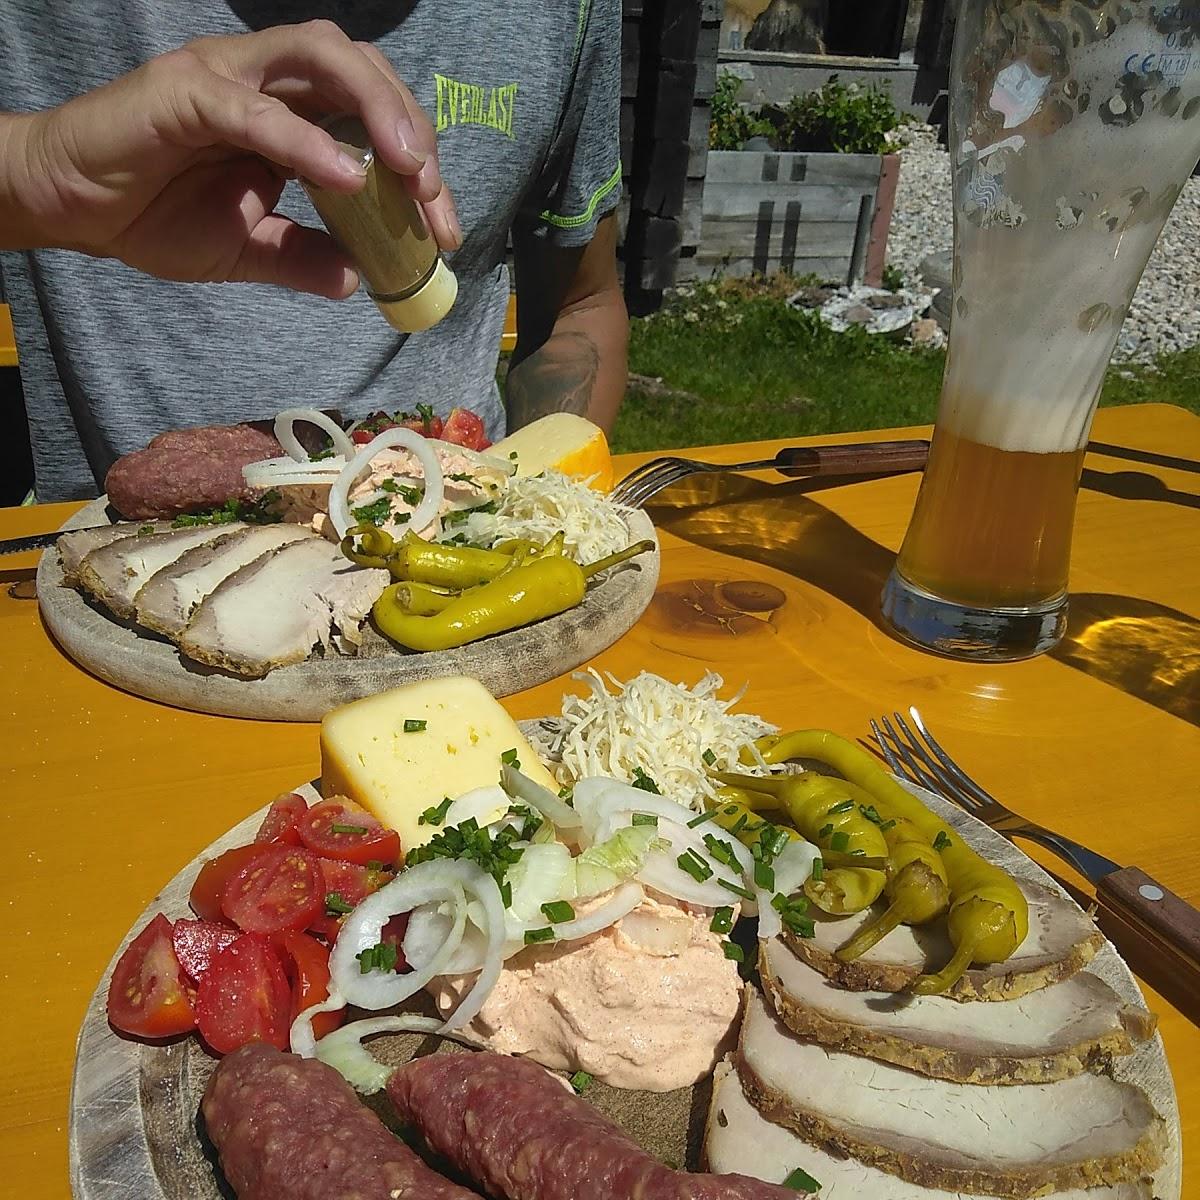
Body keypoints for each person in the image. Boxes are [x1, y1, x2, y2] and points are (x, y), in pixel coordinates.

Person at [0, 8, 627, 502]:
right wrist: (34, 172)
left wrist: (532, 508)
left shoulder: (562, 13)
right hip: (100, 554)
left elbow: (583, 306)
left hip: (462, 501)